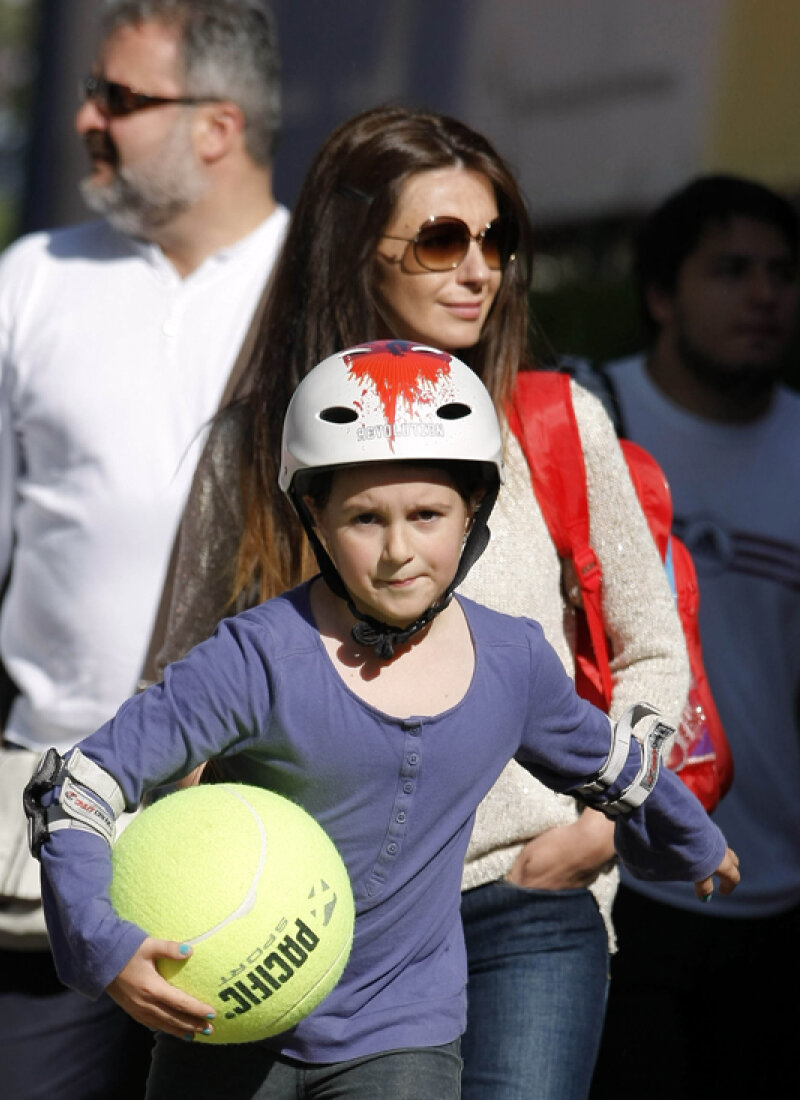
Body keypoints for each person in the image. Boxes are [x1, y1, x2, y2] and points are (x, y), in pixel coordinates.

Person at [29, 340, 738, 1100]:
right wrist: (100, 943)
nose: (400, 551)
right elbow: (80, 787)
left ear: (474, 512)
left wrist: (693, 841)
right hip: (224, 1016)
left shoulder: (513, 662)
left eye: (427, 514)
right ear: (314, 516)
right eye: (365, 518)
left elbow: (606, 761)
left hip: (404, 1034)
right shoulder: (257, 656)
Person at [150, 105, 691, 1100]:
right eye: (444, 239)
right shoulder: (251, 450)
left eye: (497, 239)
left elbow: (653, 649)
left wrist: (609, 821)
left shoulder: (555, 421)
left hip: (528, 907)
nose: (479, 268)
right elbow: (177, 696)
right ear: (357, 251)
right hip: (308, 924)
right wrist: (183, 887)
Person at [0, 1, 286, 1096]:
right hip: (53, 825)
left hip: (266, 834)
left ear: (218, 126)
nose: (86, 117)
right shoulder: (32, 279)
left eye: (118, 99)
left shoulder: (326, 286)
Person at [587, 175, 800, 1099]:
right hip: (611, 874)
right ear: (662, 295)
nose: (764, 294)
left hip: (776, 891)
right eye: (731, 270)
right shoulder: (585, 421)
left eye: (783, 273)